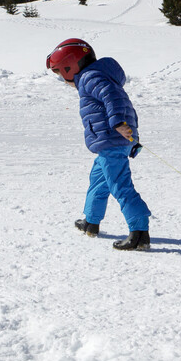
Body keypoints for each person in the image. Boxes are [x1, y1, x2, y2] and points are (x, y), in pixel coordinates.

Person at [46, 38, 152, 251]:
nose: (62, 79)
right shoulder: (95, 76)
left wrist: (118, 123)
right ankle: (91, 222)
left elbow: (112, 97)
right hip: (111, 141)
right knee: (98, 180)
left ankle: (139, 233)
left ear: (71, 66)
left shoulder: (91, 77)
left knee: (120, 186)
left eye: (60, 73)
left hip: (112, 141)